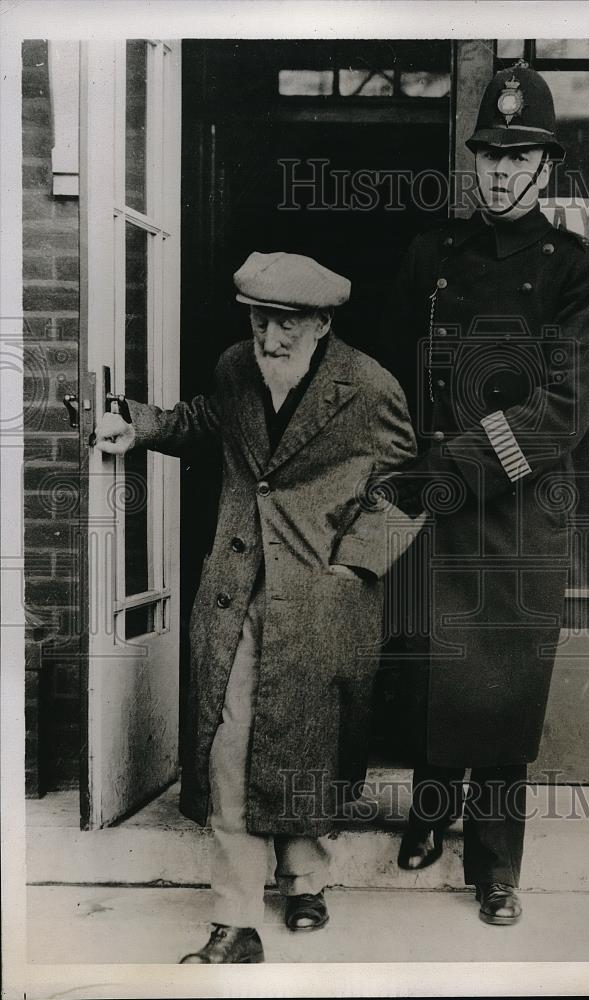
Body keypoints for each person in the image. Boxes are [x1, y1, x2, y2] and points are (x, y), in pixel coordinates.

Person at [94, 251, 419, 963]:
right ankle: (234, 919)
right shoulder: (237, 367)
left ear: (322, 323)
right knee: (232, 742)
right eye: (260, 320)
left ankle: (304, 874)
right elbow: (210, 421)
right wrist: (140, 426)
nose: (270, 339)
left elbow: (406, 484)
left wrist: (351, 566)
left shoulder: (367, 386)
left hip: (321, 597)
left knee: (304, 739)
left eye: (286, 325)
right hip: (237, 590)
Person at [376, 63, 589, 926]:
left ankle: (497, 863)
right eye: (490, 155)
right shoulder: (430, 256)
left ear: (547, 167)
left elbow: (562, 411)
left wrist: (453, 464)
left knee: (504, 686)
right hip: (435, 506)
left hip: (518, 507)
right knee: (430, 667)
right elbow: (393, 374)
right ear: (474, 162)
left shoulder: (575, 270)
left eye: (520, 157)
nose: (503, 171)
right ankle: (429, 817)